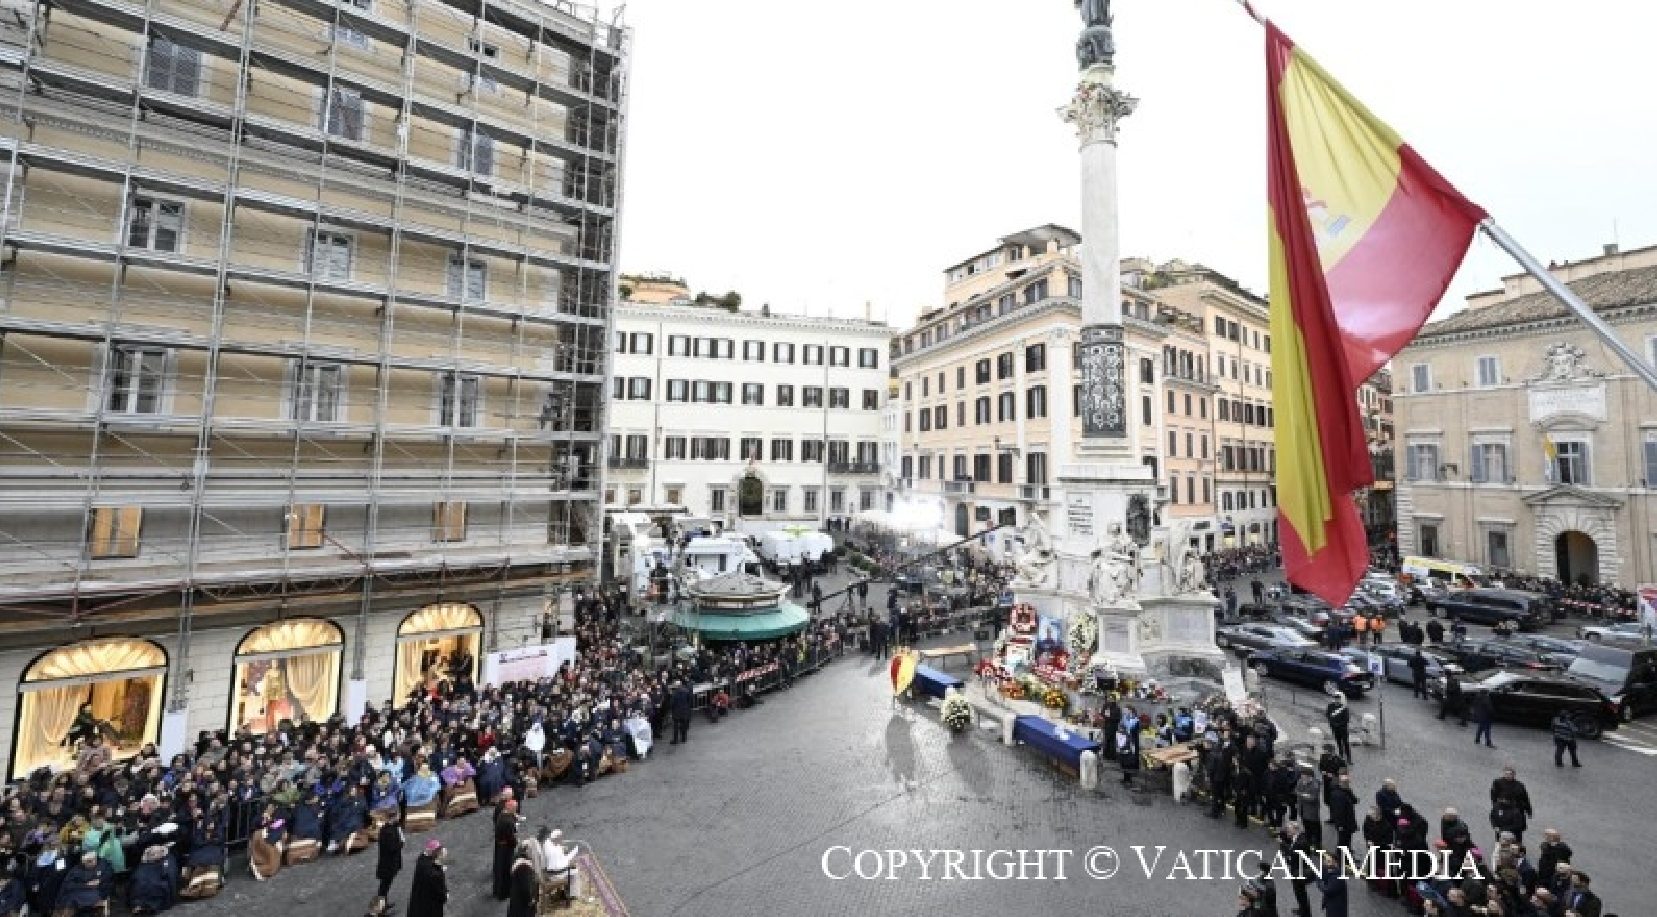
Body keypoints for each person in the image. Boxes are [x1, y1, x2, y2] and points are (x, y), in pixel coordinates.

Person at [371, 808, 404, 916]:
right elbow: (393, 847)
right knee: (384, 887)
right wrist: (401, 843)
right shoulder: (388, 832)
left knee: (385, 886)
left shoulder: (388, 828)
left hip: (387, 864)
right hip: (388, 865)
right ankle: (380, 910)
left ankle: (383, 904)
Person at [407, 840, 448, 917]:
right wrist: (441, 870)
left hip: (419, 897)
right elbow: (438, 889)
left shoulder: (422, 858)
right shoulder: (432, 871)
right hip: (428, 904)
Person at [492, 799, 519, 900]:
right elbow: (511, 838)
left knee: (500, 870)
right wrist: (516, 842)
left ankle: (497, 891)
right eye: (515, 808)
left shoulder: (502, 815)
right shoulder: (508, 821)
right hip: (506, 849)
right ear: (511, 808)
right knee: (506, 870)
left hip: (500, 846)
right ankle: (504, 893)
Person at [505, 842, 540, 917]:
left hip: (517, 900)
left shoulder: (518, 861)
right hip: (523, 905)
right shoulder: (524, 867)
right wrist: (531, 899)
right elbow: (526, 887)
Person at [1327, 773, 1358, 853]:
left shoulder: (1346, 790)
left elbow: (1354, 800)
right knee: (1343, 840)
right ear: (1340, 783)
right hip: (1343, 823)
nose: (1348, 784)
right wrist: (1340, 825)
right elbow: (1338, 812)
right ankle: (1341, 854)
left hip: (1348, 819)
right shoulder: (1337, 795)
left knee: (1347, 838)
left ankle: (1347, 850)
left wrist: (1349, 792)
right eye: (1346, 782)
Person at [1317, 852, 1348, 917]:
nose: (1325, 863)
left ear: (1335, 863)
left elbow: (1328, 890)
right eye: (1324, 861)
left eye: (1328, 861)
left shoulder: (1336, 877)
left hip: (1336, 909)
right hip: (1333, 906)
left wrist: (1319, 883)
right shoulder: (1332, 872)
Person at [1325, 696, 1352, 763]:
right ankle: (1341, 755)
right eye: (1336, 699)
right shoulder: (1330, 706)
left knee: (1346, 743)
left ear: (1340, 700)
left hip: (1343, 729)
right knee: (1339, 742)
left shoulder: (1344, 708)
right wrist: (1333, 724)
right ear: (1334, 699)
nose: (1337, 700)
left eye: (1338, 699)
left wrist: (1338, 724)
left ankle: (1349, 758)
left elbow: (1346, 719)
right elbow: (1328, 715)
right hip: (1335, 728)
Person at [669, 680, 692, 746]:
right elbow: (689, 700)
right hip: (684, 711)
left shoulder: (674, 693)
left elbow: (672, 703)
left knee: (676, 727)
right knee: (683, 725)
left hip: (676, 712)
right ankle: (684, 738)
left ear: (676, 685)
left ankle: (675, 740)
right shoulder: (686, 691)